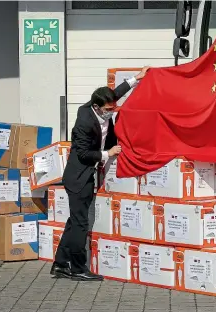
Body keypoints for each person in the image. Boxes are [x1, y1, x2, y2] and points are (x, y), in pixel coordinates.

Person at [51, 67, 149, 281]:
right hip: (78, 178)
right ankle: (77, 269)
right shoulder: (84, 122)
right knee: (80, 224)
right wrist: (108, 153)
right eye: (107, 109)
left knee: (74, 221)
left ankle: (59, 265)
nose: (111, 111)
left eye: (112, 108)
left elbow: (115, 94)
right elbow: (85, 154)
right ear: (96, 107)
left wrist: (136, 78)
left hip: (85, 176)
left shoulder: (101, 105)